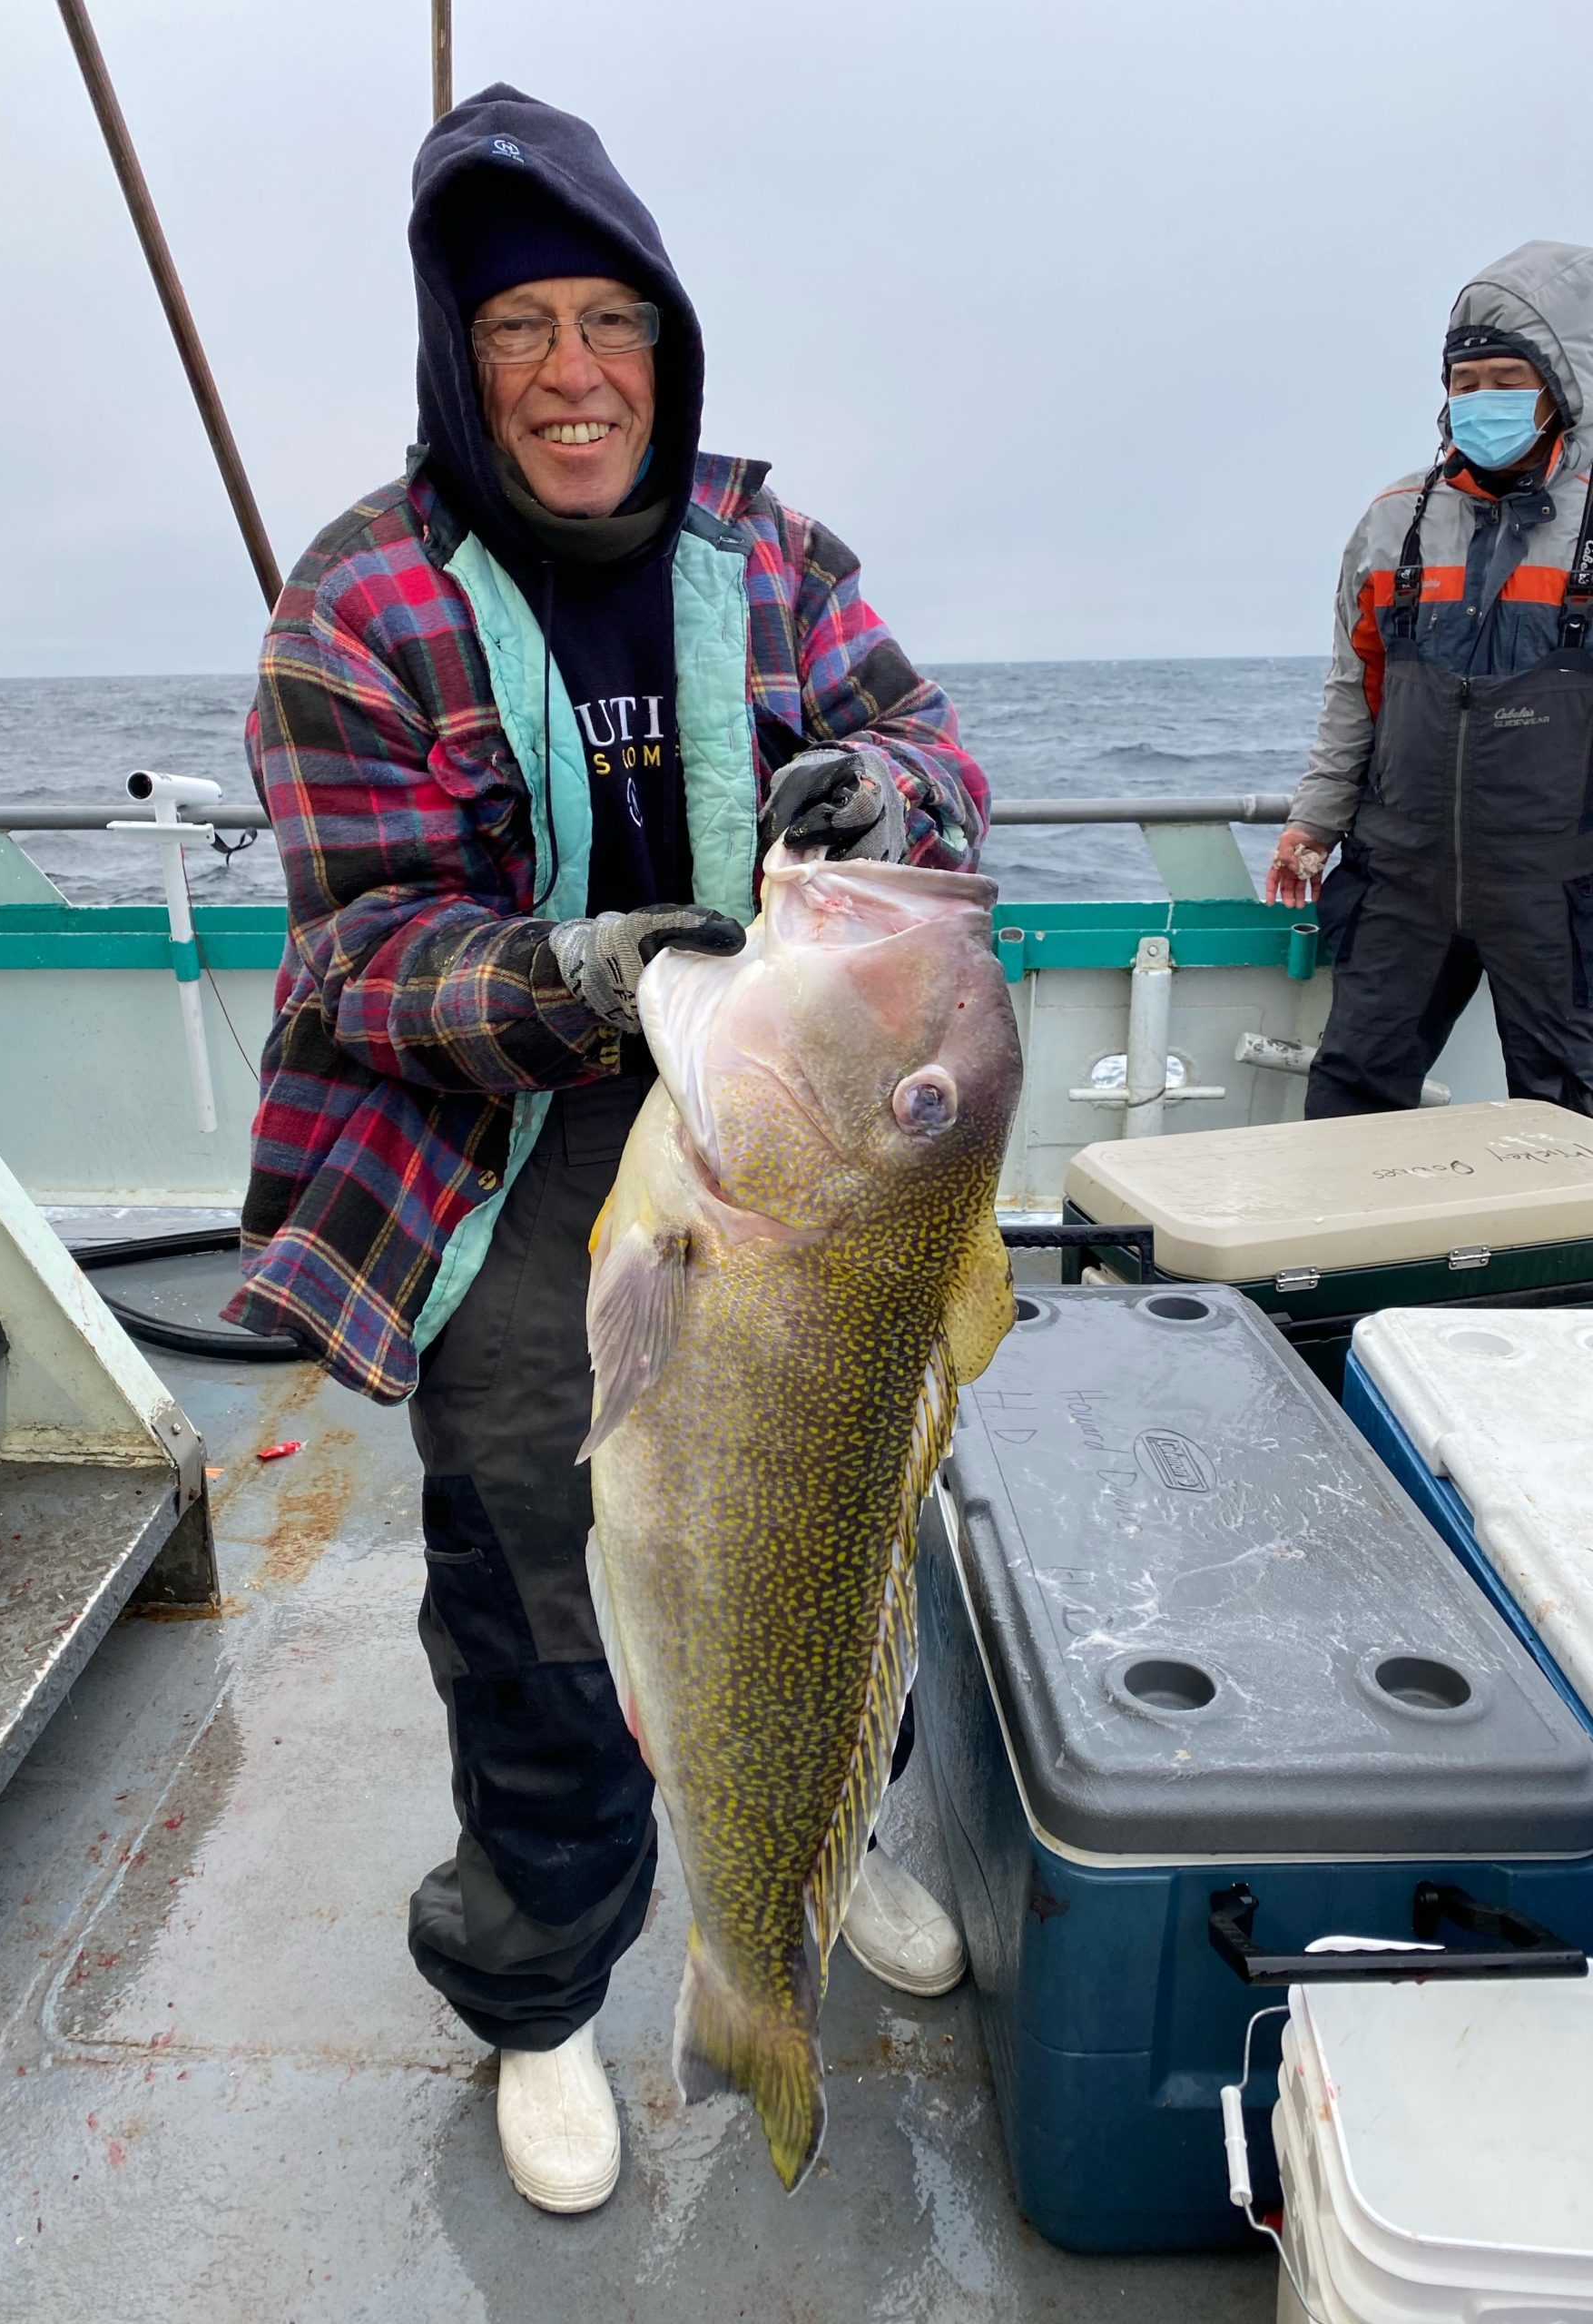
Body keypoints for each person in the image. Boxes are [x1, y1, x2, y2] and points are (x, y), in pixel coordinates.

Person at [224, 85, 990, 2214]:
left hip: (778, 1122)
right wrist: (571, 971)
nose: (573, 376)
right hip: (500, 1166)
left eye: (609, 323)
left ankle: (807, 1861)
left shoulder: (773, 553)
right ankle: (546, 1984)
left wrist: (880, 802)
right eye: (519, 334)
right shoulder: (357, 601)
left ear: (669, 341)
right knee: (549, 1616)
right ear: (457, 367)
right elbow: (360, 961)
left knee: (838, 1543)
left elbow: (936, 759)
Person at [1267, 241, 1593, 1118]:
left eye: (1506, 380)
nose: (1483, 400)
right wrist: (1314, 822)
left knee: (1570, 1107)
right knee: (1351, 1089)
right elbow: (1353, 690)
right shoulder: (1392, 520)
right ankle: (1344, 1255)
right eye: (1466, 382)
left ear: (1562, 385)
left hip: (1560, 883)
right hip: (1400, 874)